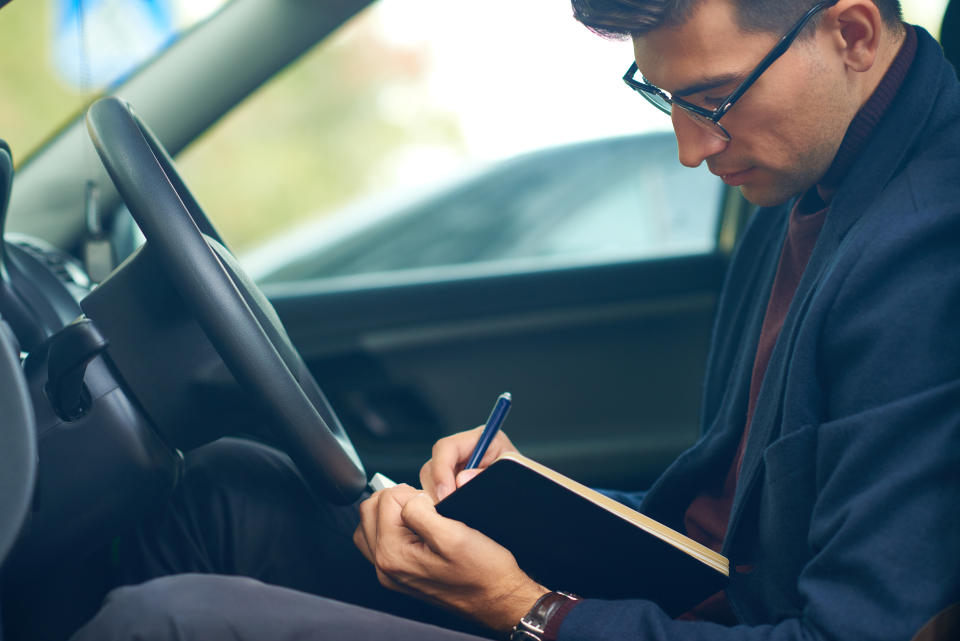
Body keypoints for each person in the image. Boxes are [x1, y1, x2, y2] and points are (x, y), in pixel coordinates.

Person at [68, 0, 960, 639]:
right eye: (666, 100)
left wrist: (528, 608)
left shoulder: (930, 258)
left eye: (715, 100)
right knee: (232, 493)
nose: (691, 149)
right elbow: (722, 532)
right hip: (672, 605)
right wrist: (527, 499)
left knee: (163, 620)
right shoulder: (812, 176)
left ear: (851, 33)